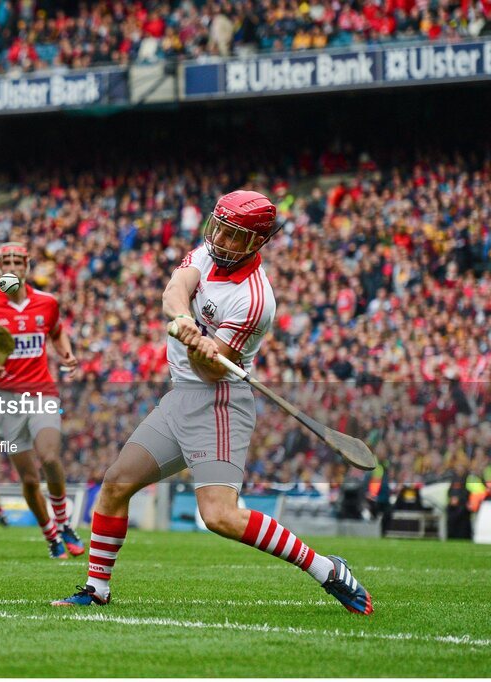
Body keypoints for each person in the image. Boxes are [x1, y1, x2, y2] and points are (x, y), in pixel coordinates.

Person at [52, 190, 373, 615]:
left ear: (256, 242)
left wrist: (201, 348)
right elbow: (175, 288)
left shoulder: (254, 301)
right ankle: (97, 590)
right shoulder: (208, 252)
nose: (220, 237)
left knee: (219, 516)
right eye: (218, 226)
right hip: (181, 397)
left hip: (218, 401)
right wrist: (185, 321)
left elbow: (211, 371)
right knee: (115, 484)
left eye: (233, 234)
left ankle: (326, 569)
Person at [0, 242, 84, 559]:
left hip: (43, 392)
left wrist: (66, 354)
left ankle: (64, 523)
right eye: (6, 262)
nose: (12, 267)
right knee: (28, 478)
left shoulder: (47, 303)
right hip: (6, 401)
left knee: (50, 456)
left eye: (18, 262)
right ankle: (51, 536)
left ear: (27, 266)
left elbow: (57, 332)